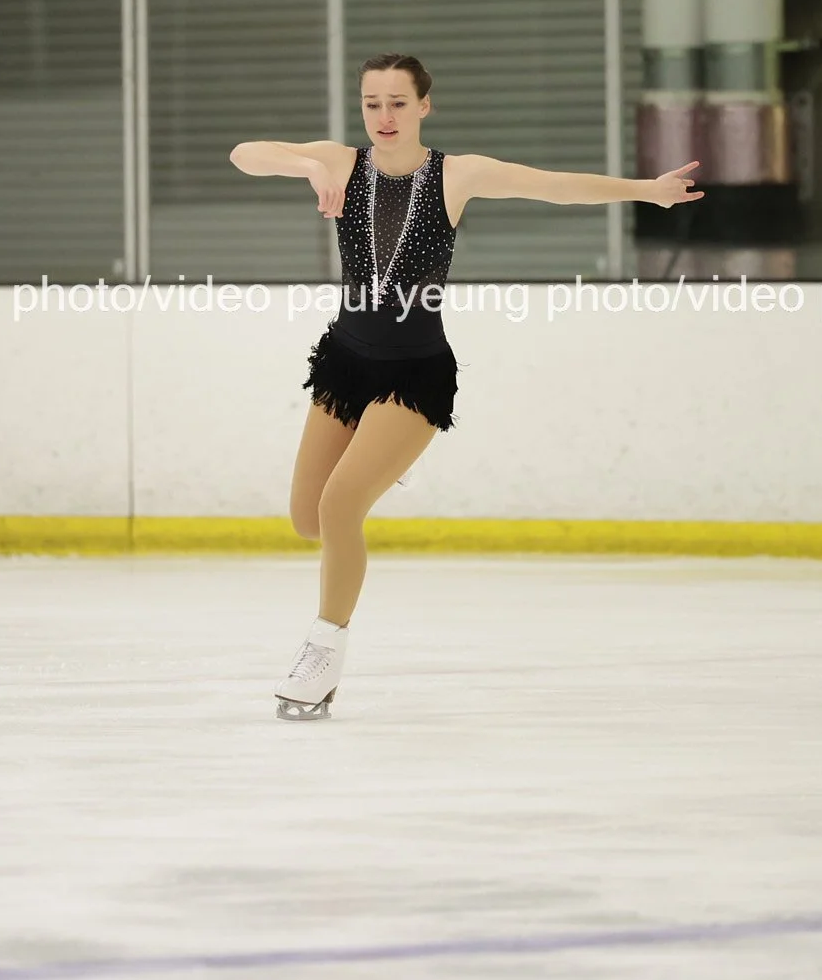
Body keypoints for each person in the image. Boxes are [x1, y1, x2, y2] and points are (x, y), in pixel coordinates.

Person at [229, 53, 703, 720]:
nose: (384, 116)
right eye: (372, 103)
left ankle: (322, 653)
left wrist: (647, 190)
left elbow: (554, 186)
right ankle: (382, 459)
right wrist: (307, 165)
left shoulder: (457, 174)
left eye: (398, 102)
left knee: (338, 508)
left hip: (414, 374)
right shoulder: (340, 163)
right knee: (307, 520)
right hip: (345, 363)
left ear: (424, 105)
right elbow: (244, 154)